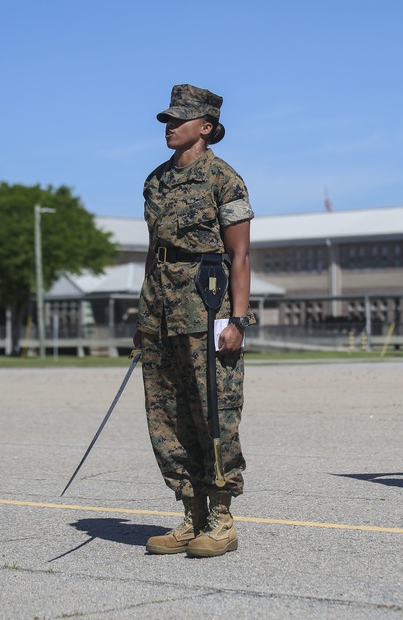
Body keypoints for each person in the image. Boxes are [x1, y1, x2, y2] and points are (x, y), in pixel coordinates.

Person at [134, 84, 254, 557]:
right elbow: (153, 252)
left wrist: (238, 320)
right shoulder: (155, 181)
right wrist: (144, 315)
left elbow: (240, 253)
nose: (169, 126)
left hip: (206, 305)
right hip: (160, 308)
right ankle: (191, 512)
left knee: (214, 411)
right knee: (166, 413)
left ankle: (221, 517)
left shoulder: (225, 179)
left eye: (178, 119)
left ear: (206, 127)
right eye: (166, 119)